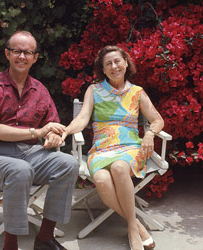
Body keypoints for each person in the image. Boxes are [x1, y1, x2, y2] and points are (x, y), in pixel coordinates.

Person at [0, 30, 79, 250]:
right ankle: (10, 244)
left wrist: (52, 137)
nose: (22, 56)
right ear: (7, 54)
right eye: (17, 51)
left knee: (68, 164)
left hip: (29, 155)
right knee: (19, 170)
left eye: (28, 52)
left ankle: (44, 238)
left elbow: (53, 126)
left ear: (35, 57)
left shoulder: (40, 90)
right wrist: (38, 132)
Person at [62, 45, 164, 250]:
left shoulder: (137, 92)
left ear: (126, 63)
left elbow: (157, 119)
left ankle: (133, 231)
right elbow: (82, 119)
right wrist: (66, 131)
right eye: (108, 63)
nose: (114, 66)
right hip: (101, 149)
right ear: (103, 69)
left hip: (131, 147)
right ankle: (134, 224)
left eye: (117, 61)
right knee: (100, 178)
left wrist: (150, 134)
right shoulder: (95, 90)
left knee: (119, 168)